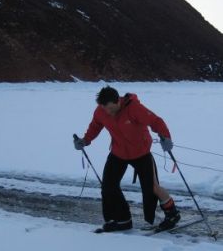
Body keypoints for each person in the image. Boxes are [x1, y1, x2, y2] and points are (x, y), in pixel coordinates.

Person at [74, 86, 181, 232]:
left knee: (152, 188)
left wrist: (166, 137)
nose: (109, 113)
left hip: (141, 153)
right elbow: (95, 126)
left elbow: (155, 121)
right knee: (108, 186)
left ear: (118, 101)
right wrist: (85, 140)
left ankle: (172, 214)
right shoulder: (101, 111)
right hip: (119, 153)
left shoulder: (134, 108)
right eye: (106, 109)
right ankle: (123, 220)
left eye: (111, 108)